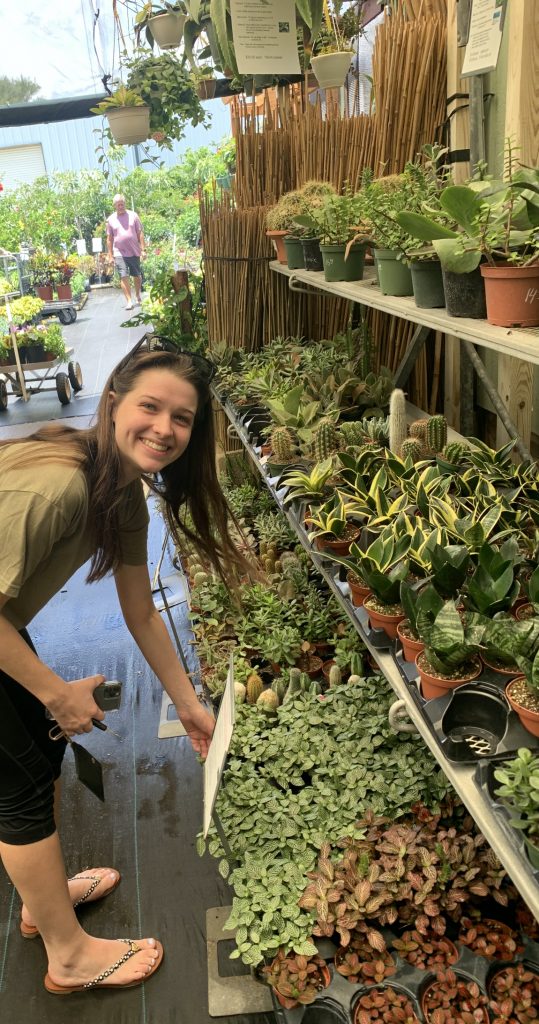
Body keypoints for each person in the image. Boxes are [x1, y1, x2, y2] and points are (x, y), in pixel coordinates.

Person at [0, 337, 252, 995]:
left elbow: (142, 614)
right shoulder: (58, 486)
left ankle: (43, 899)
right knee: (19, 785)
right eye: (151, 406)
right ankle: (69, 956)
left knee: (36, 747)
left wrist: (190, 702)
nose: (164, 429)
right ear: (113, 399)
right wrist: (55, 691)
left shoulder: (122, 493)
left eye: (182, 418)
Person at [106, 194, 146, 310]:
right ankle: (129, 301)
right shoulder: (110, 220)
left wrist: (143, 250)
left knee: (137, 275)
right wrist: (110, 255)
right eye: (118, 205)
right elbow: (109, 239)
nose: (120, 206)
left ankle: (138, 294)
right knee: (123, 276)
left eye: (122, 204)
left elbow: (140, 233)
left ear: (125, 204)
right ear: (114, 206)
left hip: (134, 250)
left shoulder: (133, 216)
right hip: (119, 251)